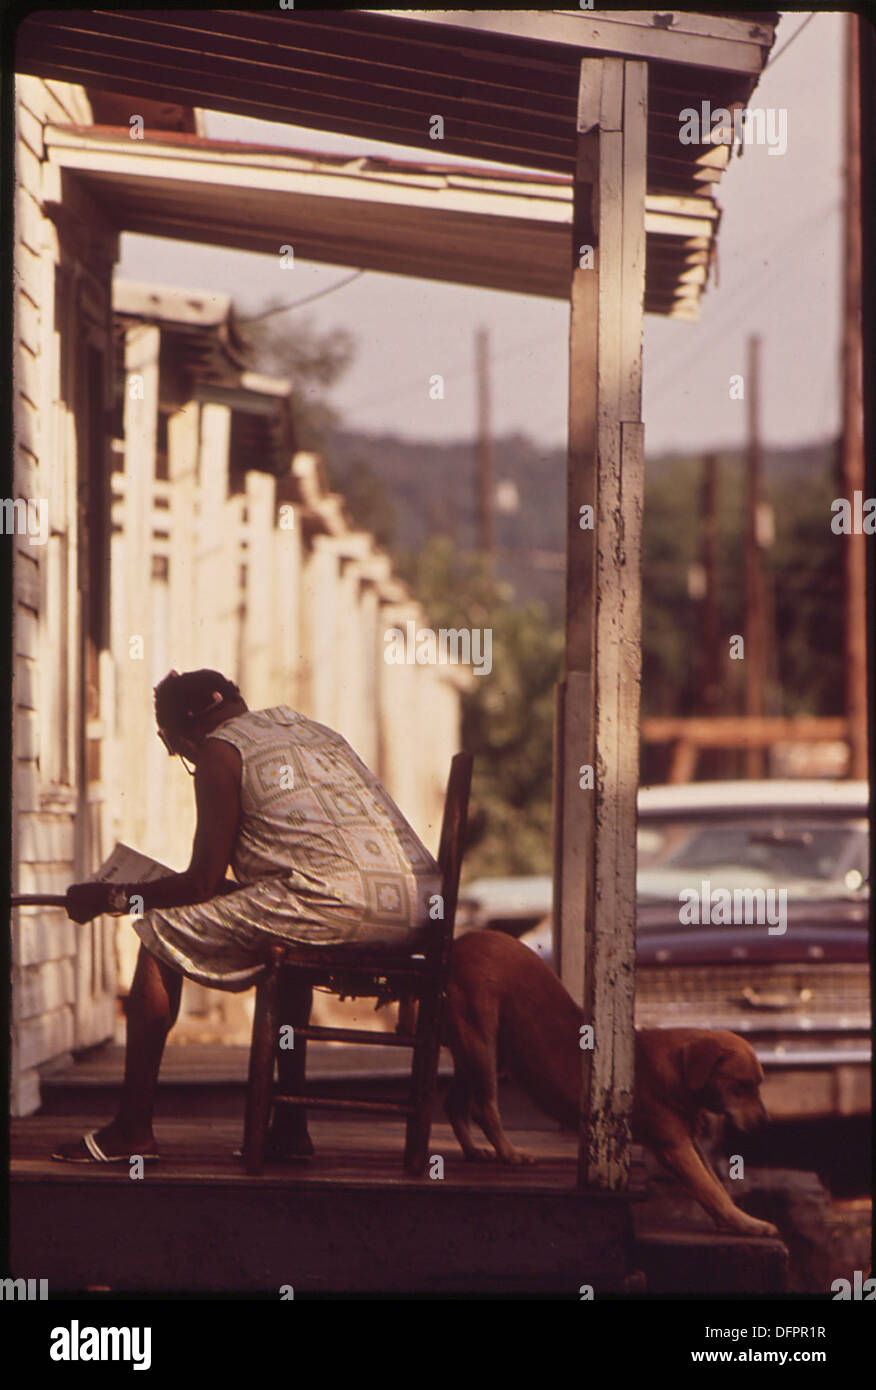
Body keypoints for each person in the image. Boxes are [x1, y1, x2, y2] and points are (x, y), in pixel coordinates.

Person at [54, 669, 442, 1164]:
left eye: (178, 754)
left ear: (176, 737)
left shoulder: (219, 751)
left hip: (338, 906)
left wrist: (112, 898)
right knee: (282, 924)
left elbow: (201, 885)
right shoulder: (314, 731)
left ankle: (133, 1131)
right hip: (419, 905)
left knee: (157, 933)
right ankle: (291, 1128)